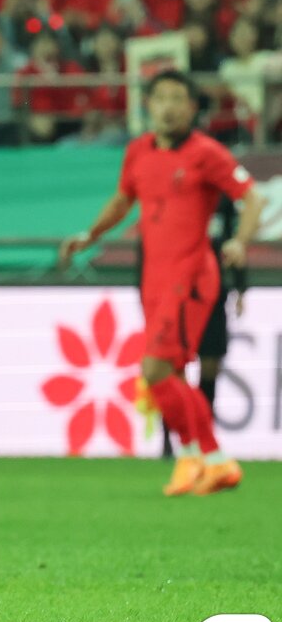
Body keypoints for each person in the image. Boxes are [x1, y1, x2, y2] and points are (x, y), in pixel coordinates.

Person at [61, 70, 263, 496]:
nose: (168, 106)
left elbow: (253, 197)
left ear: (192, 108)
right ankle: (205, 460)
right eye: (160, 98)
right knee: (168, 373)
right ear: (147, 105)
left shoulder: (207, 153)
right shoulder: (137, 152)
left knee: (155, 369)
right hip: (153, 278)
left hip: (190, 277)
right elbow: (122, 200)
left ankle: (205, 457)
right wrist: (90, 235)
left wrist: (240, 242)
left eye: (177, 98)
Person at [144, 195, 248, 460]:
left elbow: (233, 242)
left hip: (212, 292)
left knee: (210, 364)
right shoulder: (170, 196)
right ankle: (171, 440)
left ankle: (205, 441)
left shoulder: (223, 200)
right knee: (169, 369)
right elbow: (147, 246)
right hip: (174, 293)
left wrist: (240, 287)